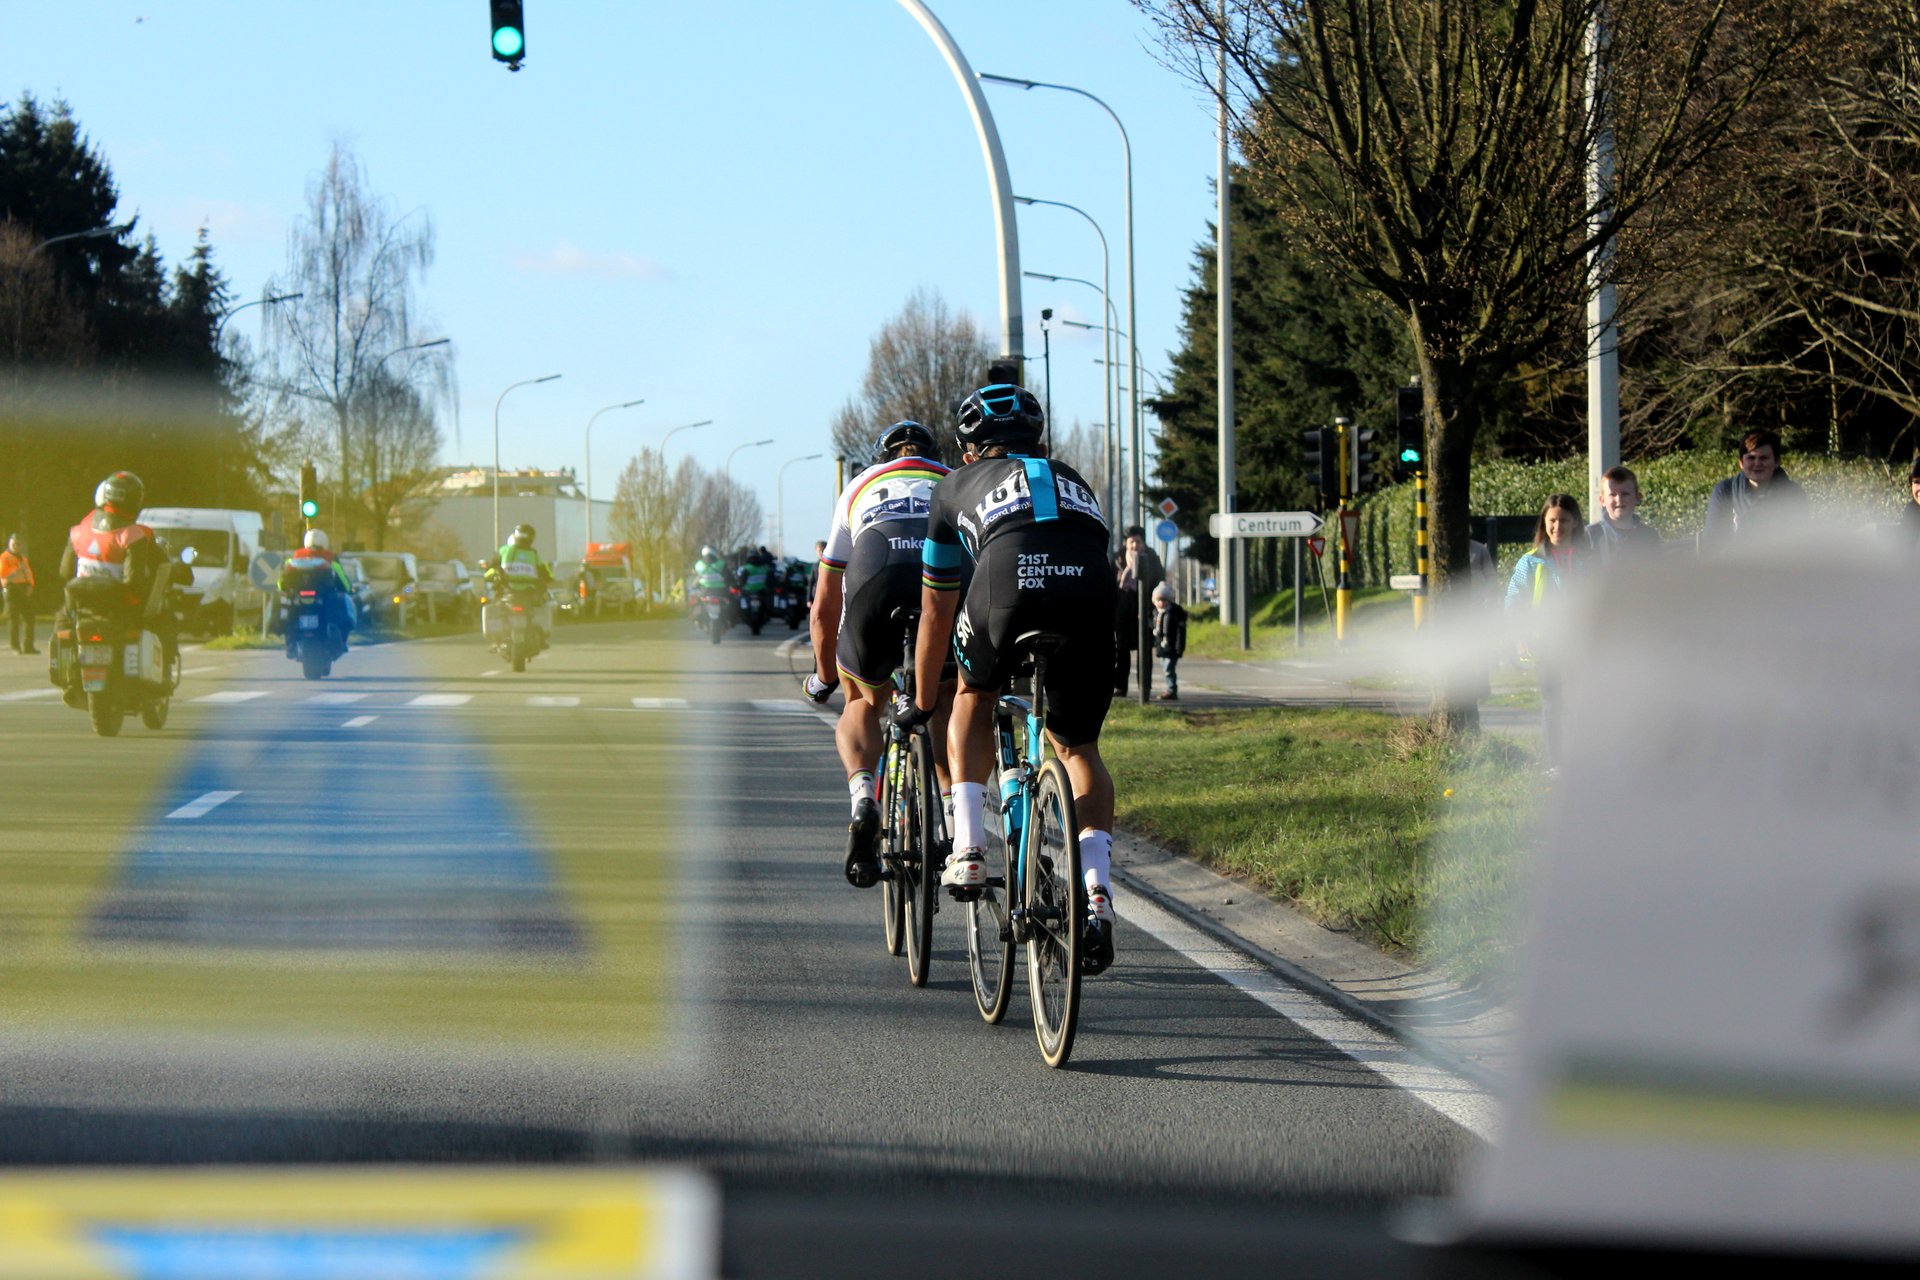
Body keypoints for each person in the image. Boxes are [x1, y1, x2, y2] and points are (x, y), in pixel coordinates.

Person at [898, 384, 1122, 972]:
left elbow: (937, 611)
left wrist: (924, 701)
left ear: (969, 453)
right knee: (1079, 749)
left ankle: (970, 845)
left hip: (1006, 586)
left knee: (974, 692)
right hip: (1091, 595)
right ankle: (1096, 894)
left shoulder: (951, 487)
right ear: (1041, 444)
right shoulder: (1074, 477)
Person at [807, 420, 953, 887]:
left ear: (881, 459)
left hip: (876, 580)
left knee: (863, 702)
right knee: (944, 700)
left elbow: (826, 599)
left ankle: (864, 795)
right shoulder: (951, 479)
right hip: (937, 583)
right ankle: (956, 820)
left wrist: (826, 675)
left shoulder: (860, 486)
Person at [1506, 494, 1584, 773]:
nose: (1557, 526)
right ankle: (1557, 763)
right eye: (1552, 520)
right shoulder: (1530, 562)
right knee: (1553, 703)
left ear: (1575, 522)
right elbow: (1514, 603)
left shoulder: (1589, 558)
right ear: (1544, 523)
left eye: (1564, 520)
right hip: (1546, 646)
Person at [1703, 429, 1809, 544]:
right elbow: (1712, 545)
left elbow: (1801, 543)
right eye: (1751, 458)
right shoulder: (1724, 492)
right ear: (1741, 463)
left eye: (1764, 458)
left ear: (1777, 461)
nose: (1757, 463)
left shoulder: (1794, 495)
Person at [276, 528, 357, 644]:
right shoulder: (331, 559)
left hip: (298, 600)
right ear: (325, 543)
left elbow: (281, 583)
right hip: (324, 600)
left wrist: (287, 590)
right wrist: (348, 589)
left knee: (291, 616)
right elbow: (343, 582)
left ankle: (291, 641)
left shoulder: (293, 560)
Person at [1113, 524, 1164, 697]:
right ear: (1126, 543)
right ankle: (1120, 687)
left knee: (1145, 651)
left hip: (1145, 611)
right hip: (1122, 613)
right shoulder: (1117, 559)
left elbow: (1159, 582)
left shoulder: (1152, 558)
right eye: (1131, 542)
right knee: (1121, 651)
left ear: (1144, 542)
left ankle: (1145, 687)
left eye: (1138, 542)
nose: (1135, 545)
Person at [495, 523, 555, 649]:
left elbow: (492, 566)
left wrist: (493, 576)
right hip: (527, 592)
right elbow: (545, 572)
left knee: (499, 607)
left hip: (509, 591)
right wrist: (548, 578)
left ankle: (501, 638)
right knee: (534, 610)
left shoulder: (504, 550)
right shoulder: (533, 554)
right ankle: (538, 637)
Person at [1585, 465, 1661, 562]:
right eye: (1612, 494)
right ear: (1602, 500)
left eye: (1625, 494)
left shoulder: (1649, 536)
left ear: (1638, 498)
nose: (1619, 500)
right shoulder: (1590, 536)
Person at [1151, 581, 1187, 701]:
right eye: (1159, 600)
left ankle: (1172, 690)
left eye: (1164, 600)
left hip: (1172, 647)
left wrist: (1179, 646)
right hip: (1161, 647)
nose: (1161, 603)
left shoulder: (1174, 614)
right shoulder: (1156, 614)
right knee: (1165, 669)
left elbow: (1180, 632)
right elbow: (1154, 628)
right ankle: (1170, 689)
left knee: (1168, 670)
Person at [2, 533, 37, 654]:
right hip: (11, 589)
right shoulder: (4, 557)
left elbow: (28, 572)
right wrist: (16, 568)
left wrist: (31, 585)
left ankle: (28, 646)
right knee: (14, 619)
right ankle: (15, 647)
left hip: (23, 589)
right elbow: (3, 573)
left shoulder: (23, 558)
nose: (16, 546)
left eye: (18, 544)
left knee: (29, 618)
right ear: (9, 544)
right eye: (14, 544)